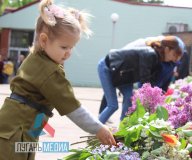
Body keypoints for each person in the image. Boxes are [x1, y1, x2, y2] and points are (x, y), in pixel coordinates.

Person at [0, 0, 116, 159]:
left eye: (72, 47)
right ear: (43, 40)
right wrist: (98, 128)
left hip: (16, 128)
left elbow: (40, 31)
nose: (68, 52)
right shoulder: (50, 71)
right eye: (64, 47)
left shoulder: (36, 57)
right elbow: (73, 108)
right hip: (16, 132)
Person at [97, 36, 185, 124]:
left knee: (129, 99)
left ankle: (123, 127)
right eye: (174, 55)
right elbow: (145, 79)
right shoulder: (150, 54)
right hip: (108, 67)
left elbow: (152, 81)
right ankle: (97, 128)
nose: (174, 59)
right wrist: (148, 98)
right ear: (167, 49)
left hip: (123, 75)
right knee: (113, 105)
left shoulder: (158, 60)